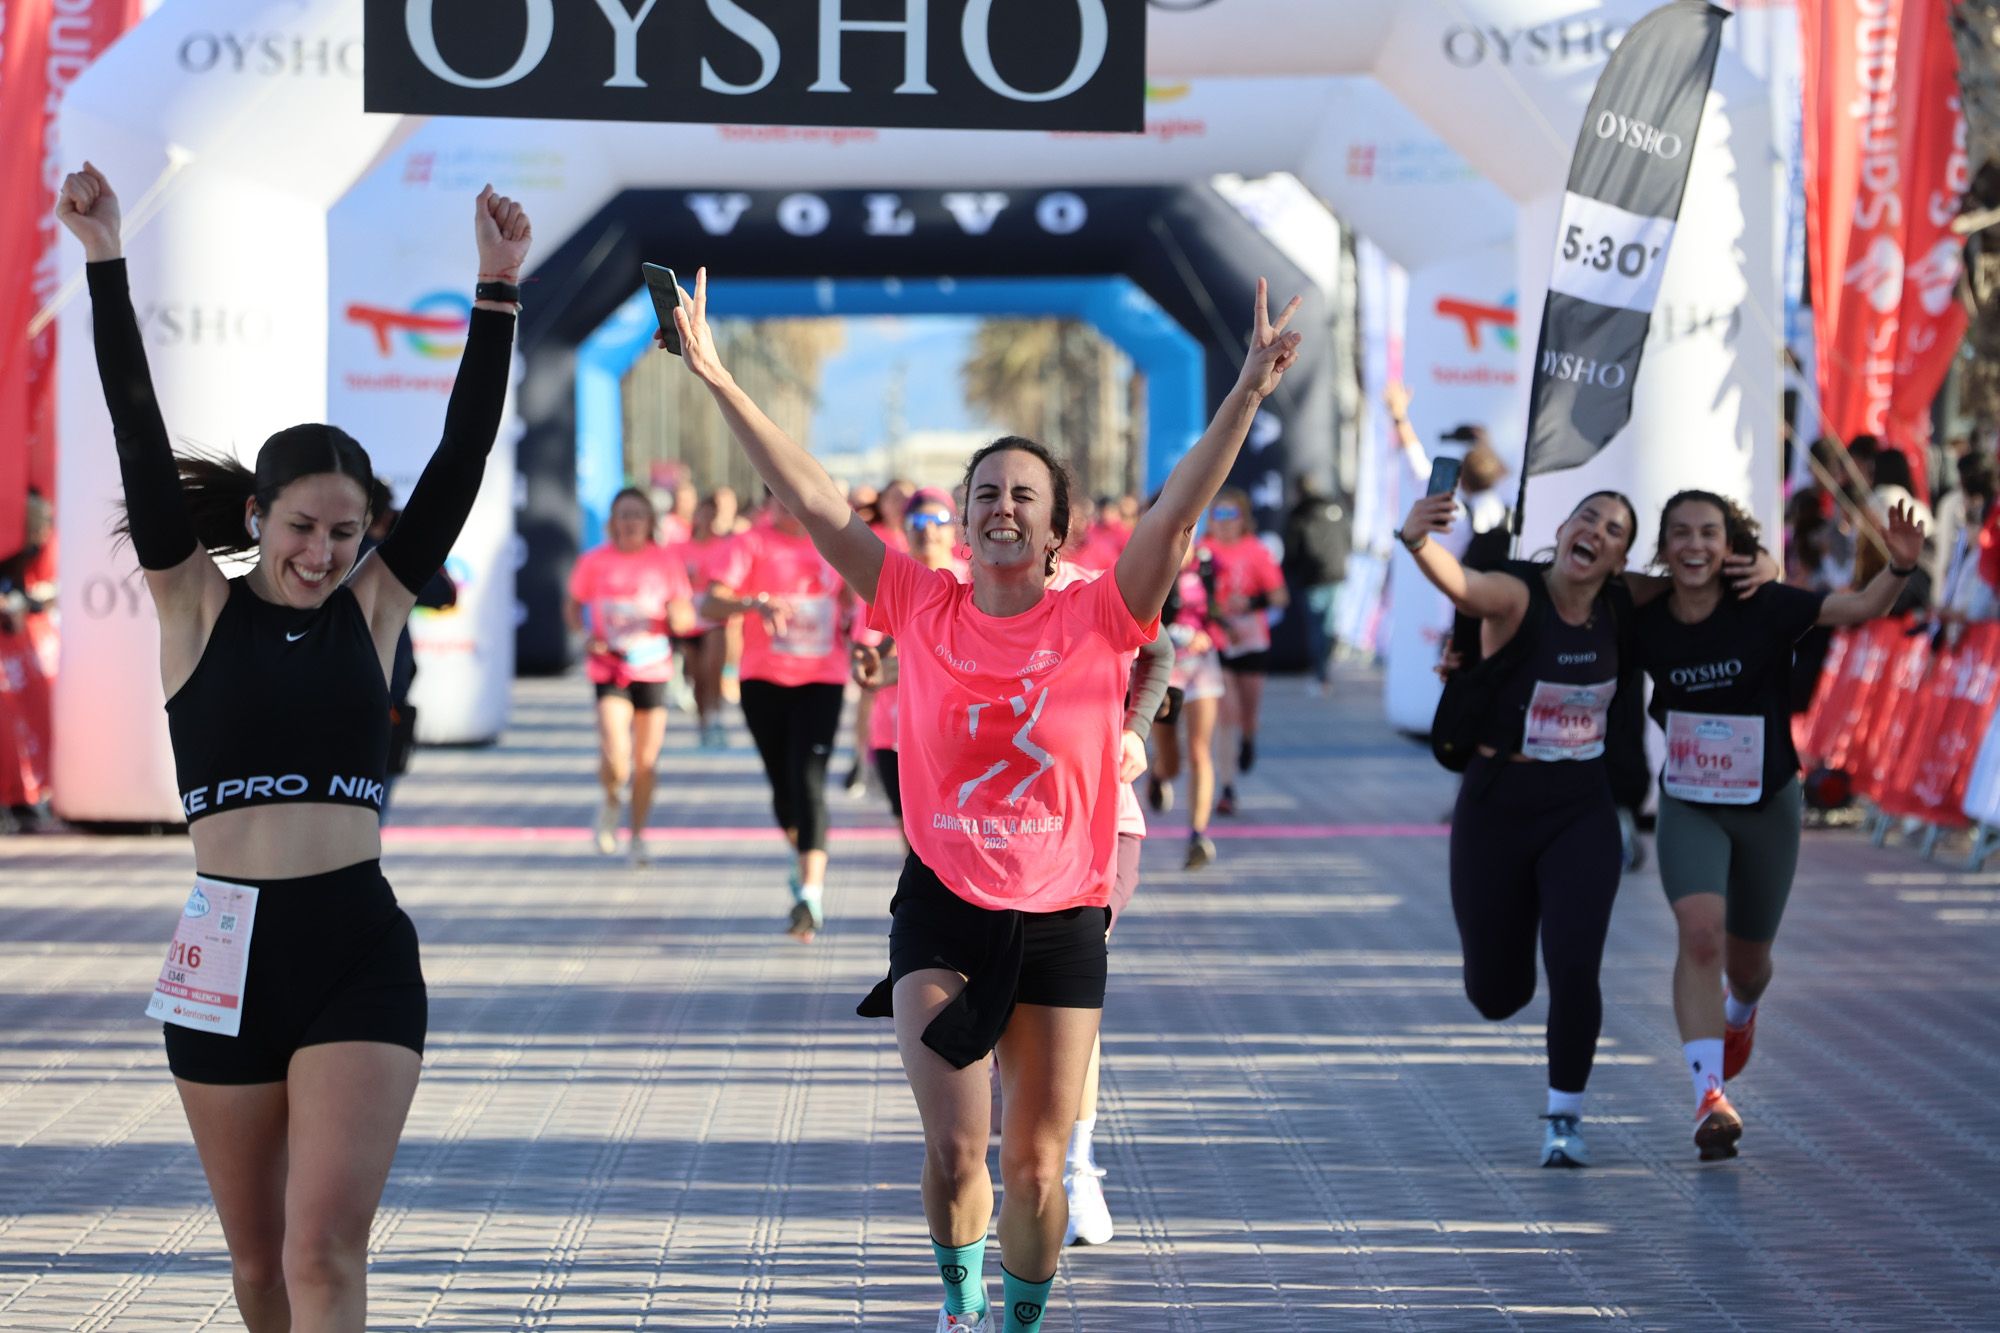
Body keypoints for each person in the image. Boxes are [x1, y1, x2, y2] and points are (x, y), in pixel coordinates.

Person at [671, 267, 1301, 1332]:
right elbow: (817, 500)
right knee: (957, 1148)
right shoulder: (917, 602)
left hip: (1063, 916)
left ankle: (1020, 1318)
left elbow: (1178, 507)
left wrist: (1244, 391)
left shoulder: (1103, 612)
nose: (1001, 507)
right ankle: (960, 1305)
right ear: (961, 524)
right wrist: (719, 377)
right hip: (943, 905)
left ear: (1056, 531)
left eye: (1023, 495)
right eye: (985, 494)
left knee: (1038, 1166)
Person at [62, 162, 528, 1330]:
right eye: (303, 527)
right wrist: (106, 259)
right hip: (221, 954)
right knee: (260, 1265)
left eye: (347, 532)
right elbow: (136, 433)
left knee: (322, 1249)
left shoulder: (375, 610)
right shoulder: (192, 606)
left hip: (354, 946)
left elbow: (461, 458)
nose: (322, 553)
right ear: (257, 518)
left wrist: (496, 289)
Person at [1637, 491, 1924, 1160]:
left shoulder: (1764, 603)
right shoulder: (1644, 616)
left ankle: (1740, 1011)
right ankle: (1709, 1097)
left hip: (1768, 803)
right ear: (1664, 547)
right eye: (1681, 533)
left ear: (1728, 544)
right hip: (1691, 801)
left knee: (1749, 966)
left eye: (1709, 533)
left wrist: (1900, 566)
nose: (1695, 545)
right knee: (1699, 934)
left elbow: (1861, 607)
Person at [1401, 487, 1647, 1168]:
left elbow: (1698, 581)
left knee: (1576, 964)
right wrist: (1417, 540)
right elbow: (1465, 585)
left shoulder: (1623, 603)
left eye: (1614, 530)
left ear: (1622, 558)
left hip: (1580, 805)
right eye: (1587, 517)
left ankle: (1565, 1117)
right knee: (1496, 993)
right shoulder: (1517, 595)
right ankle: (1509, 960)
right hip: (1497, 805)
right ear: (1562, 529)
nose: (1596, 531)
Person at [702, 492, 855, 940]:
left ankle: (810, 894)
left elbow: (859, 598)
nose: (789, 506)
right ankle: (800, 848)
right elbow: (709, 604)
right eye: (780, 497)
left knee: (809, 781)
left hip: (823, 679)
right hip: (763, 681)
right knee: (784, 790)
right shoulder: (750, 544)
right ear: (768, 502)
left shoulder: (835, 542)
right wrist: (754, 603)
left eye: (797, 496)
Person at [567, 486, 697, 865]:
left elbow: (684, 614)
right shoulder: (594, 561)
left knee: (646, 762)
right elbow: (573, 606)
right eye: (623, 514)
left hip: (652, 668)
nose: (630, 522)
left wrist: (676, 618)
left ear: (649, 521)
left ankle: (637, 836)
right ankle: (611, 798)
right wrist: (584, 636)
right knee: (616, 755)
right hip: (609, 666)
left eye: (637, 515)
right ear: (612, 521)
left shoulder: (666, 562)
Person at [852, 487, 966, 840]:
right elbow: (869, 669)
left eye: (938, 519)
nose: (927, 529)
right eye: (917, 520)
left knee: (957, 833)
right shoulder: (889, 583)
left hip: (963, 730)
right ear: (903, 527)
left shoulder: (977, 582)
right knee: (914, 836)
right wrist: (861, 754)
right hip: (896, 731)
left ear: (954, 529)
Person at [358, 480, 457, 821]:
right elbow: (444, 592)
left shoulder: (331, 556)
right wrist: (418, 541)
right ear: (385, 515)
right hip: (386, 698)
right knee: (372, 807)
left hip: (361, 698)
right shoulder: (391, 560)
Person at [1201, 488, 1287, 816]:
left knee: (1248, 715)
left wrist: (1250, 602)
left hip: (1251, 640)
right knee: (1227, 714)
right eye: (1217, 515)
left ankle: (1249, 739)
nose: (1223, 522)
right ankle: (1227, 788)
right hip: (1218, 641)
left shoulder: (1255, 551)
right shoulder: (1203, 551)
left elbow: (1280, 597)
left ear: (1243, 519)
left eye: (1230, 515)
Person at [1146, 540, 1225, 868]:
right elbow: (1139, 619)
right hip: (1163, 670)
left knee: (1199, 751)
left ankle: (1198, 835)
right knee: (1173, 762)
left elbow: (1220, 610)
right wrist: (1181, 635)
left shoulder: (1208, 565)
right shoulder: (1149, 564)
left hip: (1201, 667)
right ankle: (1159, 774)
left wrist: (1219, 629)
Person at [1281, 476, 1349, 696]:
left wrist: (1292, 574)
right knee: (1327, 626)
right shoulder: (1334, 508)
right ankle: (1324, 671)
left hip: (1313, 578)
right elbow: (1347, 537)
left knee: (1317, 629)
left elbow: (1292, 548)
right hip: (1336, 573)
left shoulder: (1300, 513)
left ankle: (1321, 675)